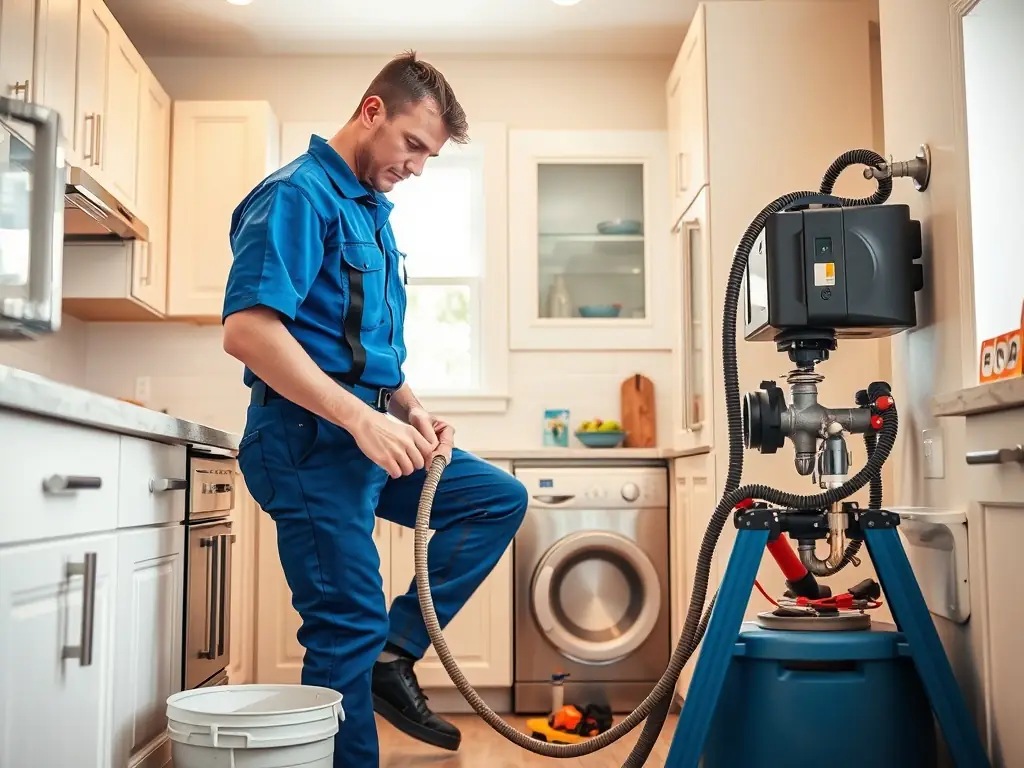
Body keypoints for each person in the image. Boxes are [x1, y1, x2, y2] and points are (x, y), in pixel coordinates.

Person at [220, 51, 529, 767]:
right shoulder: (297, 195)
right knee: (343, 625)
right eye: (413, 145)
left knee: (494, 500)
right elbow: (248, 330)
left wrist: (411, 408)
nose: (418, 166)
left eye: (430, 155)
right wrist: (359, 418)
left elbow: (367, 349)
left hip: (366, 436)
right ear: (371, 112)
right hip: (306, 446)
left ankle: (394, 655)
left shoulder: (370, 213)